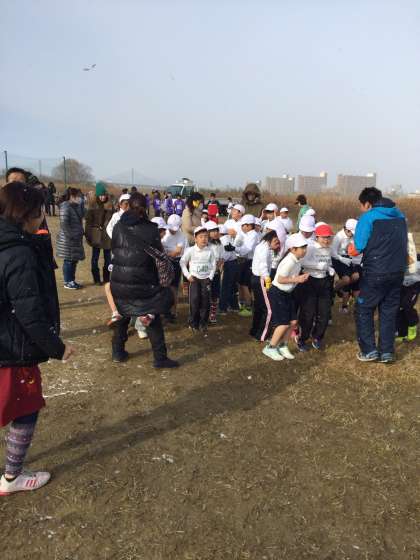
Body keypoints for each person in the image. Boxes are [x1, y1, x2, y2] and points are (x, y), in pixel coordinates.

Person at [0, 182, 74, 495]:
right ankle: (12, 477)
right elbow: (28, 312)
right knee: (24, 407)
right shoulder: (18, 253)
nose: (43, 217)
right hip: (11, 349)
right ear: (26, 214)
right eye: (39, 211)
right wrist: (57, 347)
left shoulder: (12, 244)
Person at [110, 193, 178, 367]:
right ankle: (160, 358)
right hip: (143, 281)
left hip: (119, 279)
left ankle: (117, 352)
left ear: (128, 206)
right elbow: (158, 255)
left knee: (123, 314)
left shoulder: (118, 226)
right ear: (146, 208)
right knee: (152, 315)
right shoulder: (151, 229)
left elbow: (114, 249)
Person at [352, 187, 407, 363]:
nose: (361, 209)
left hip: (375, 272)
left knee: (364, 309)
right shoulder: (400, 216)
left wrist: (350, 249)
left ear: (368, 204)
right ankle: (386, 352)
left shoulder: (368, 217)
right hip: (397, 271)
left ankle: (369, 351)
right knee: (388, 311)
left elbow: (358, 246)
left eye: (361, 205)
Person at [262, 233, 309, 361]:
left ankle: (283, 345)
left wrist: (301, 276)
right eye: (302, 248)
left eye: (305, 247)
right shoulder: (289, 261)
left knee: (293, 322)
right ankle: (270, 347)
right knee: (283, 323)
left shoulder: (297, 260)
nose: (305, 250)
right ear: (293, 249)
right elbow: (280, 279)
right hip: (277, 293)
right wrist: (297, 279)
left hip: (287, 293)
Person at [296, 223, 335, 352]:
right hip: (310, 281)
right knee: (308, 313)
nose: (326, 240)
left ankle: (317, 337)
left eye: (328, 237)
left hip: (324, 282)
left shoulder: (328, 248)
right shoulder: (311, 247)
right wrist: (317, 266)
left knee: (324, 313)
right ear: (317, 237)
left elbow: (327, 262)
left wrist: (329, 268)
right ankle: (302, 339)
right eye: (323, 237)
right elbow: (302, 262)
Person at [180, 225, 216, 335]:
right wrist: (188, 275)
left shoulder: (210, 251)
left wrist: (210, 277)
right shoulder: (190, 250)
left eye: (206, 236)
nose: (204, 239)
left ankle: (203, 323)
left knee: (205, 301)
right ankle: (193, 323)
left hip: (206, 279)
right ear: (195, 239)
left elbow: (213, 264)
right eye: (201, 237)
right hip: (194, 279)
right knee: (194, 301)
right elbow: (182, 262)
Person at [250, 230, 280, 341]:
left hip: (257, 278)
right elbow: (263, 266)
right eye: (275, 241)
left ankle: (255, 331)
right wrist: (268, 281)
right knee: (269, 309)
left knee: (259, 307)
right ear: (270, 239)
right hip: (261, 279)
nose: (277, 244)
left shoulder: (263, 246)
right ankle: (262, 335)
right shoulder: (264, 249)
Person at [85, 182, 114, 285]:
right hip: (96, 236)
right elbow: (88, 223)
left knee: (108, 259)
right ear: (97, 195)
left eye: (104, 195)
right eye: (100, 195)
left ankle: (106, 278)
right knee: (95, 258)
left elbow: (113, 221)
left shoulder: (110, 206)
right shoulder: (92, 206)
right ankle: (96, 279)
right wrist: (88, 235)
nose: (102, 197)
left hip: (107, 236)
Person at [56, 187, 85, 289]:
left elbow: (82, 215)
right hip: (68, 240)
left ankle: (71, 280)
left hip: (75, 238)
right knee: (68, 261)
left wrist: (81, 204)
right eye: (78, 196)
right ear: (72, 196)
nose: (80, 198)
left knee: (73, 260)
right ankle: (67, 281)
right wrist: (71, 236)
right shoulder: (65, 206)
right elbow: (64, 224)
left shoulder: (75, 206)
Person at [162, 214, 188, 321]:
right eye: (171, 228)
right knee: (164, 286)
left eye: (175, 229)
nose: (173, 231)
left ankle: (173, 311)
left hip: (176, 262)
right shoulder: (164, 233)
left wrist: (164, 253)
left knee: (173, 287)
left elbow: (177, 251)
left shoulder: (181, 235)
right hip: (163, 262)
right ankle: (164, 310)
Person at [219, 204, 245, 314]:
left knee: (229, 284)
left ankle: (225, 307)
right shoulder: (228, 222)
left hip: (236, 256)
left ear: (240, 213)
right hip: (230, 255)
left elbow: (241, 238)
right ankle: (233, 305)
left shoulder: (243, 223)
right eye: (232, 210)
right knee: (231, 284)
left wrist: (235, 234)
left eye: (235, 210)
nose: (232, 212)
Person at [331, 218, 360, 313]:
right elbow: (333, 253)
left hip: (348, 258)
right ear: (346, 230)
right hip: (337, 259)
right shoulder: (338, 237)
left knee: (356, 276)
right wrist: (342, 259)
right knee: (346, 279)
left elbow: (353, 249)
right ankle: (334, 290)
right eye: (351, 232)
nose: (352, 235)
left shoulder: (352, 236)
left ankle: (344, 288)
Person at [234, 214, 260, 317]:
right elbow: (239, 245)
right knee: (240, 283)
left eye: (243, 225)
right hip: (244, 261)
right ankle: (242, 304)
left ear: (249, 225)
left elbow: (246, 250)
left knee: (245, 284)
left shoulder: (253, 235)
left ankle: (248, 306)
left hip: (250, 261)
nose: (242, 227)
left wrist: (235, 249)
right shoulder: (247, 234)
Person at [205, 221, 225, 323]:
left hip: (216, 273)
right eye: (213, 231)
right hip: (205, 274)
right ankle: (204, 313)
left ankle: (212, 314)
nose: (216, 233)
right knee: (205, 294)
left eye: (217, 230)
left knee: (215, 294)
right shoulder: (204, 244)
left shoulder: (219, 244)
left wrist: (217, 266)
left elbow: (222, 257)